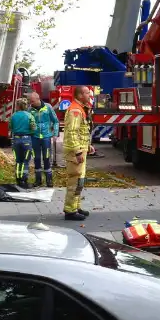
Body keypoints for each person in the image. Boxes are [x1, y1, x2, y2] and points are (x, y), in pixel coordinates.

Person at [63, 86, 96, 221]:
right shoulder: (75, 110)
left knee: (79, 181)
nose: (90, 95)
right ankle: (70, 210)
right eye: (88, 93)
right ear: (81, 95)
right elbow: (72, 132)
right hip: (75, 152)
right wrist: (77, 151)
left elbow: (82, 131)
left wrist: (87, 146)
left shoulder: (80, 108)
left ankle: (75, 207)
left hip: (80, 150)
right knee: (75, 181)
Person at [28, 92, 59, 187]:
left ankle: (49, 180)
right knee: (36, 158)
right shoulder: (30, 110)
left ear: (38, 99)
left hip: (46, 136)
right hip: (35, 137)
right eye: (30, 101)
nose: (31, 103)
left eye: (32, 101)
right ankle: (38, 180)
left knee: (46, 157)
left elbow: (55, 121)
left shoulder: (48, 107)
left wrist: (55, 133)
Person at [8, 97, 37, 188]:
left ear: (18, 106)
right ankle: (24, 180)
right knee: (25, 161)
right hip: (26, 140)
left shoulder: (13, 116)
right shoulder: (29, 116)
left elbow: (10, 127)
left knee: (18, 161)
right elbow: (34, 128)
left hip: (16, 140)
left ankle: (18, 178)